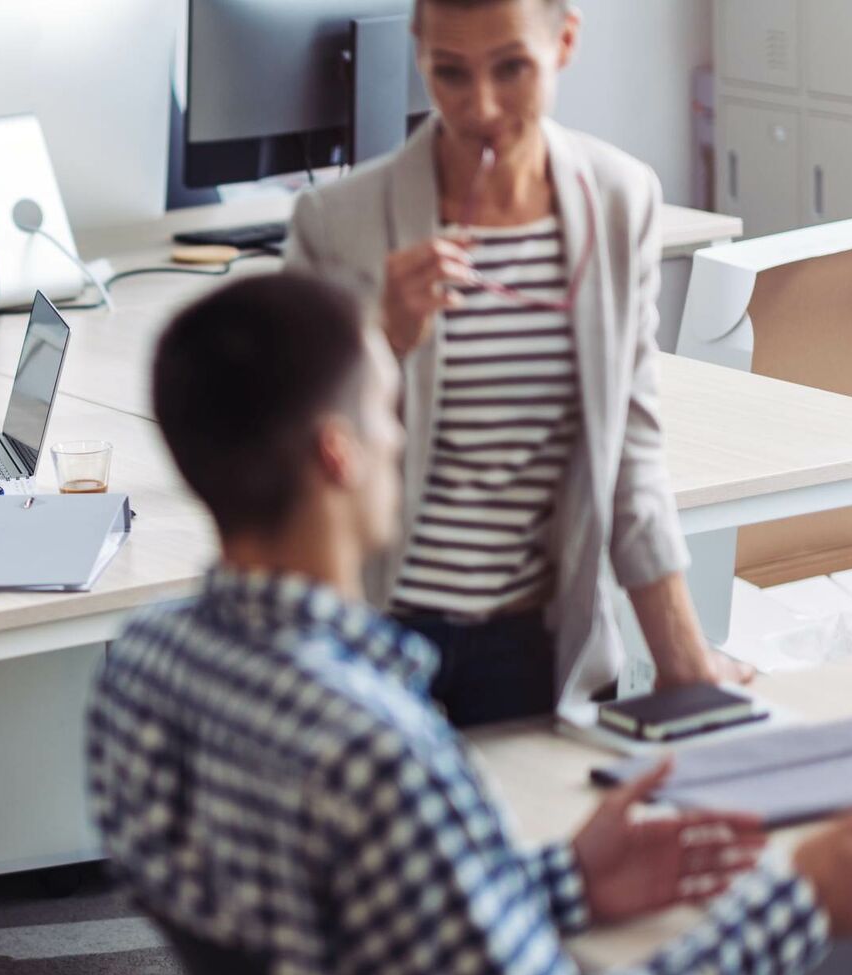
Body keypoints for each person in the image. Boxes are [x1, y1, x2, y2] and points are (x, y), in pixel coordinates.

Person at [86, 271, 852, 975]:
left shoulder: (142, 671)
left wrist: (569, 878)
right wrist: (802, 899)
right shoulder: (374, 748)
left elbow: (349, 926)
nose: (406, 436)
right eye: (389, 408)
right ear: (336, 452)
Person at [283, 0, 746, 728]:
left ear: (564, 41)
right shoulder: (337, 224)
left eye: (512, 69)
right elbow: (291, 460)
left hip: (537, 641)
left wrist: (682, 658)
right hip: (378, 637)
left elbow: (631, 446)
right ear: (418, 51)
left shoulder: (621, 201)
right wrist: (384, 339)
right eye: (450, 74)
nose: (482, 106)